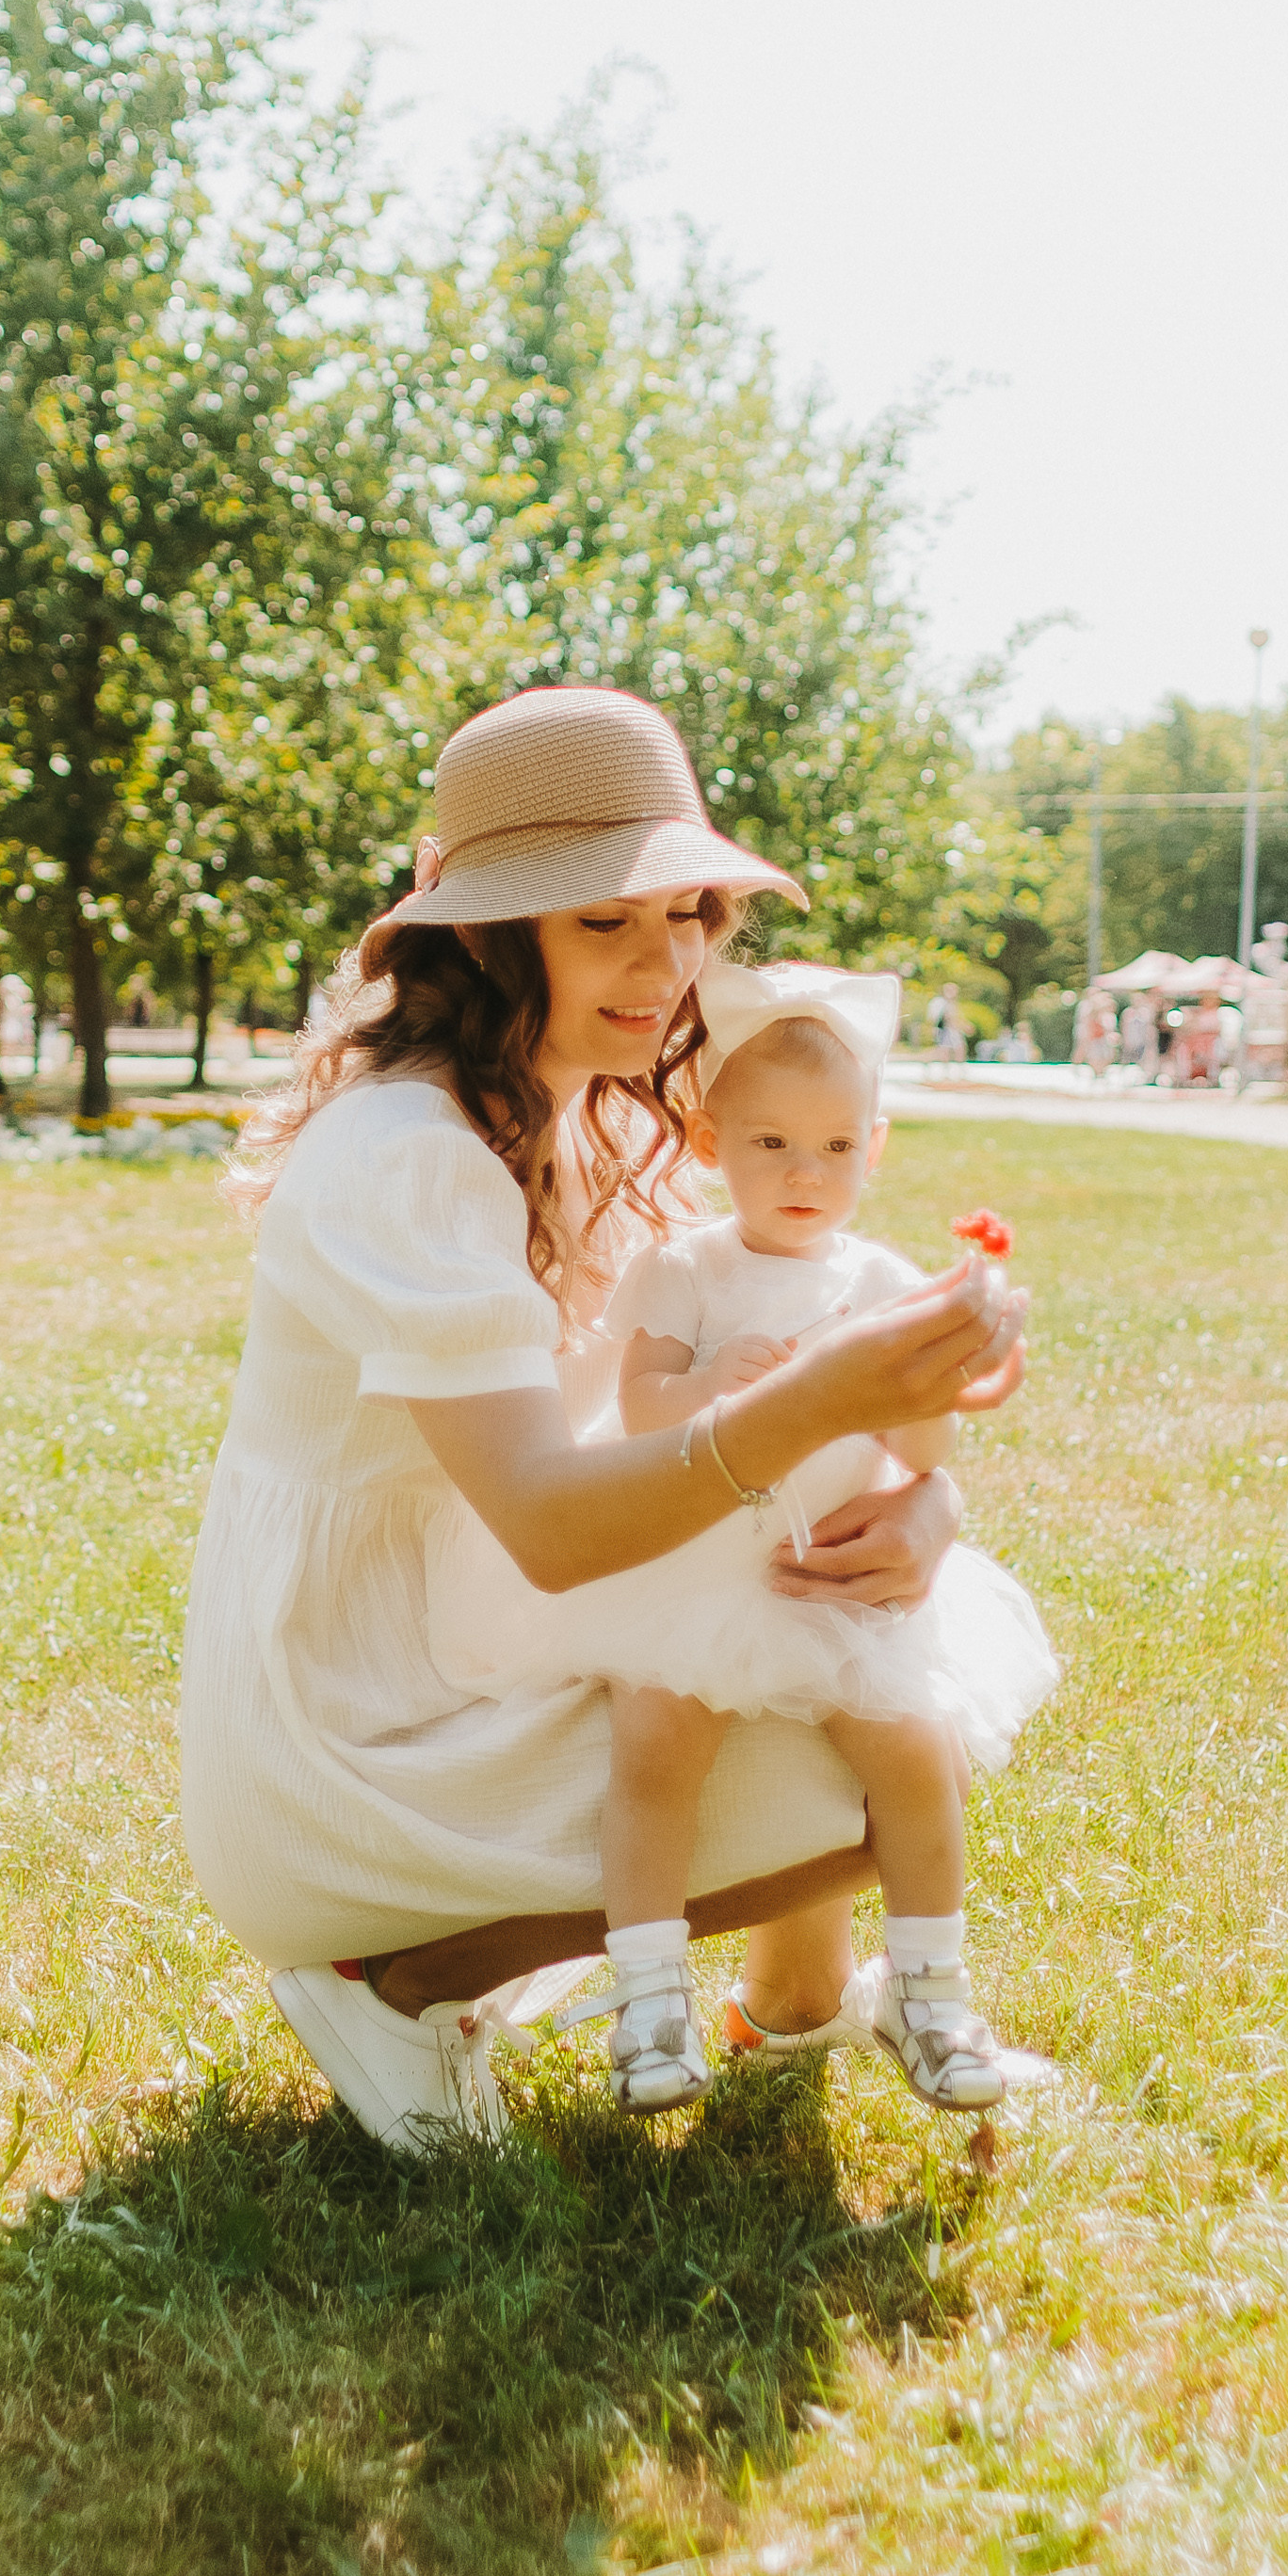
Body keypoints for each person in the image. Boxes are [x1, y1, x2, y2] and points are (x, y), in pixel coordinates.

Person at [181, 687, 1028, 2153]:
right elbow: (565, 1526)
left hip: (471, 1625)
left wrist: (925, 1495)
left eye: (689, 910)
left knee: (863, 1641)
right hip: (355, 1718)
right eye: (603, 923)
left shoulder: (580, 1108)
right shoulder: (409, 1153)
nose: (667, 961)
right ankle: (400, 1976)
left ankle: (803, 1990)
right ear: (492, 936)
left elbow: (721, 1376)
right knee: (867, 1743)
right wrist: (820, 1391)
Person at [427, 958, 1055, 2116]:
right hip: (695, 1568)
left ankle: (926, 1990)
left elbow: (918, 1455)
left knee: (912, 1756)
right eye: (769, 1145)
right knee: (657, 1756)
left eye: (833, 1148)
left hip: (825, 1576)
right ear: (712, 1146)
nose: (804, 1174)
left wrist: (965, 1375)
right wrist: (711, 1379)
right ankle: (652, 2003)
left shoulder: (885, 1281)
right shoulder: (690, 1267)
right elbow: (640, 1403)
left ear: (875, 1150)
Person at [927, 983, 969, 1065]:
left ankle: (954, 1071)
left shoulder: (951, 1003)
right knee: (950, 1050)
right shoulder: (941, 1003)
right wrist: (961, 1026)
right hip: (946, 1031)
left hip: (950, 1031)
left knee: (956, 1050)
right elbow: (946, 1018)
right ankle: (948, 1071)